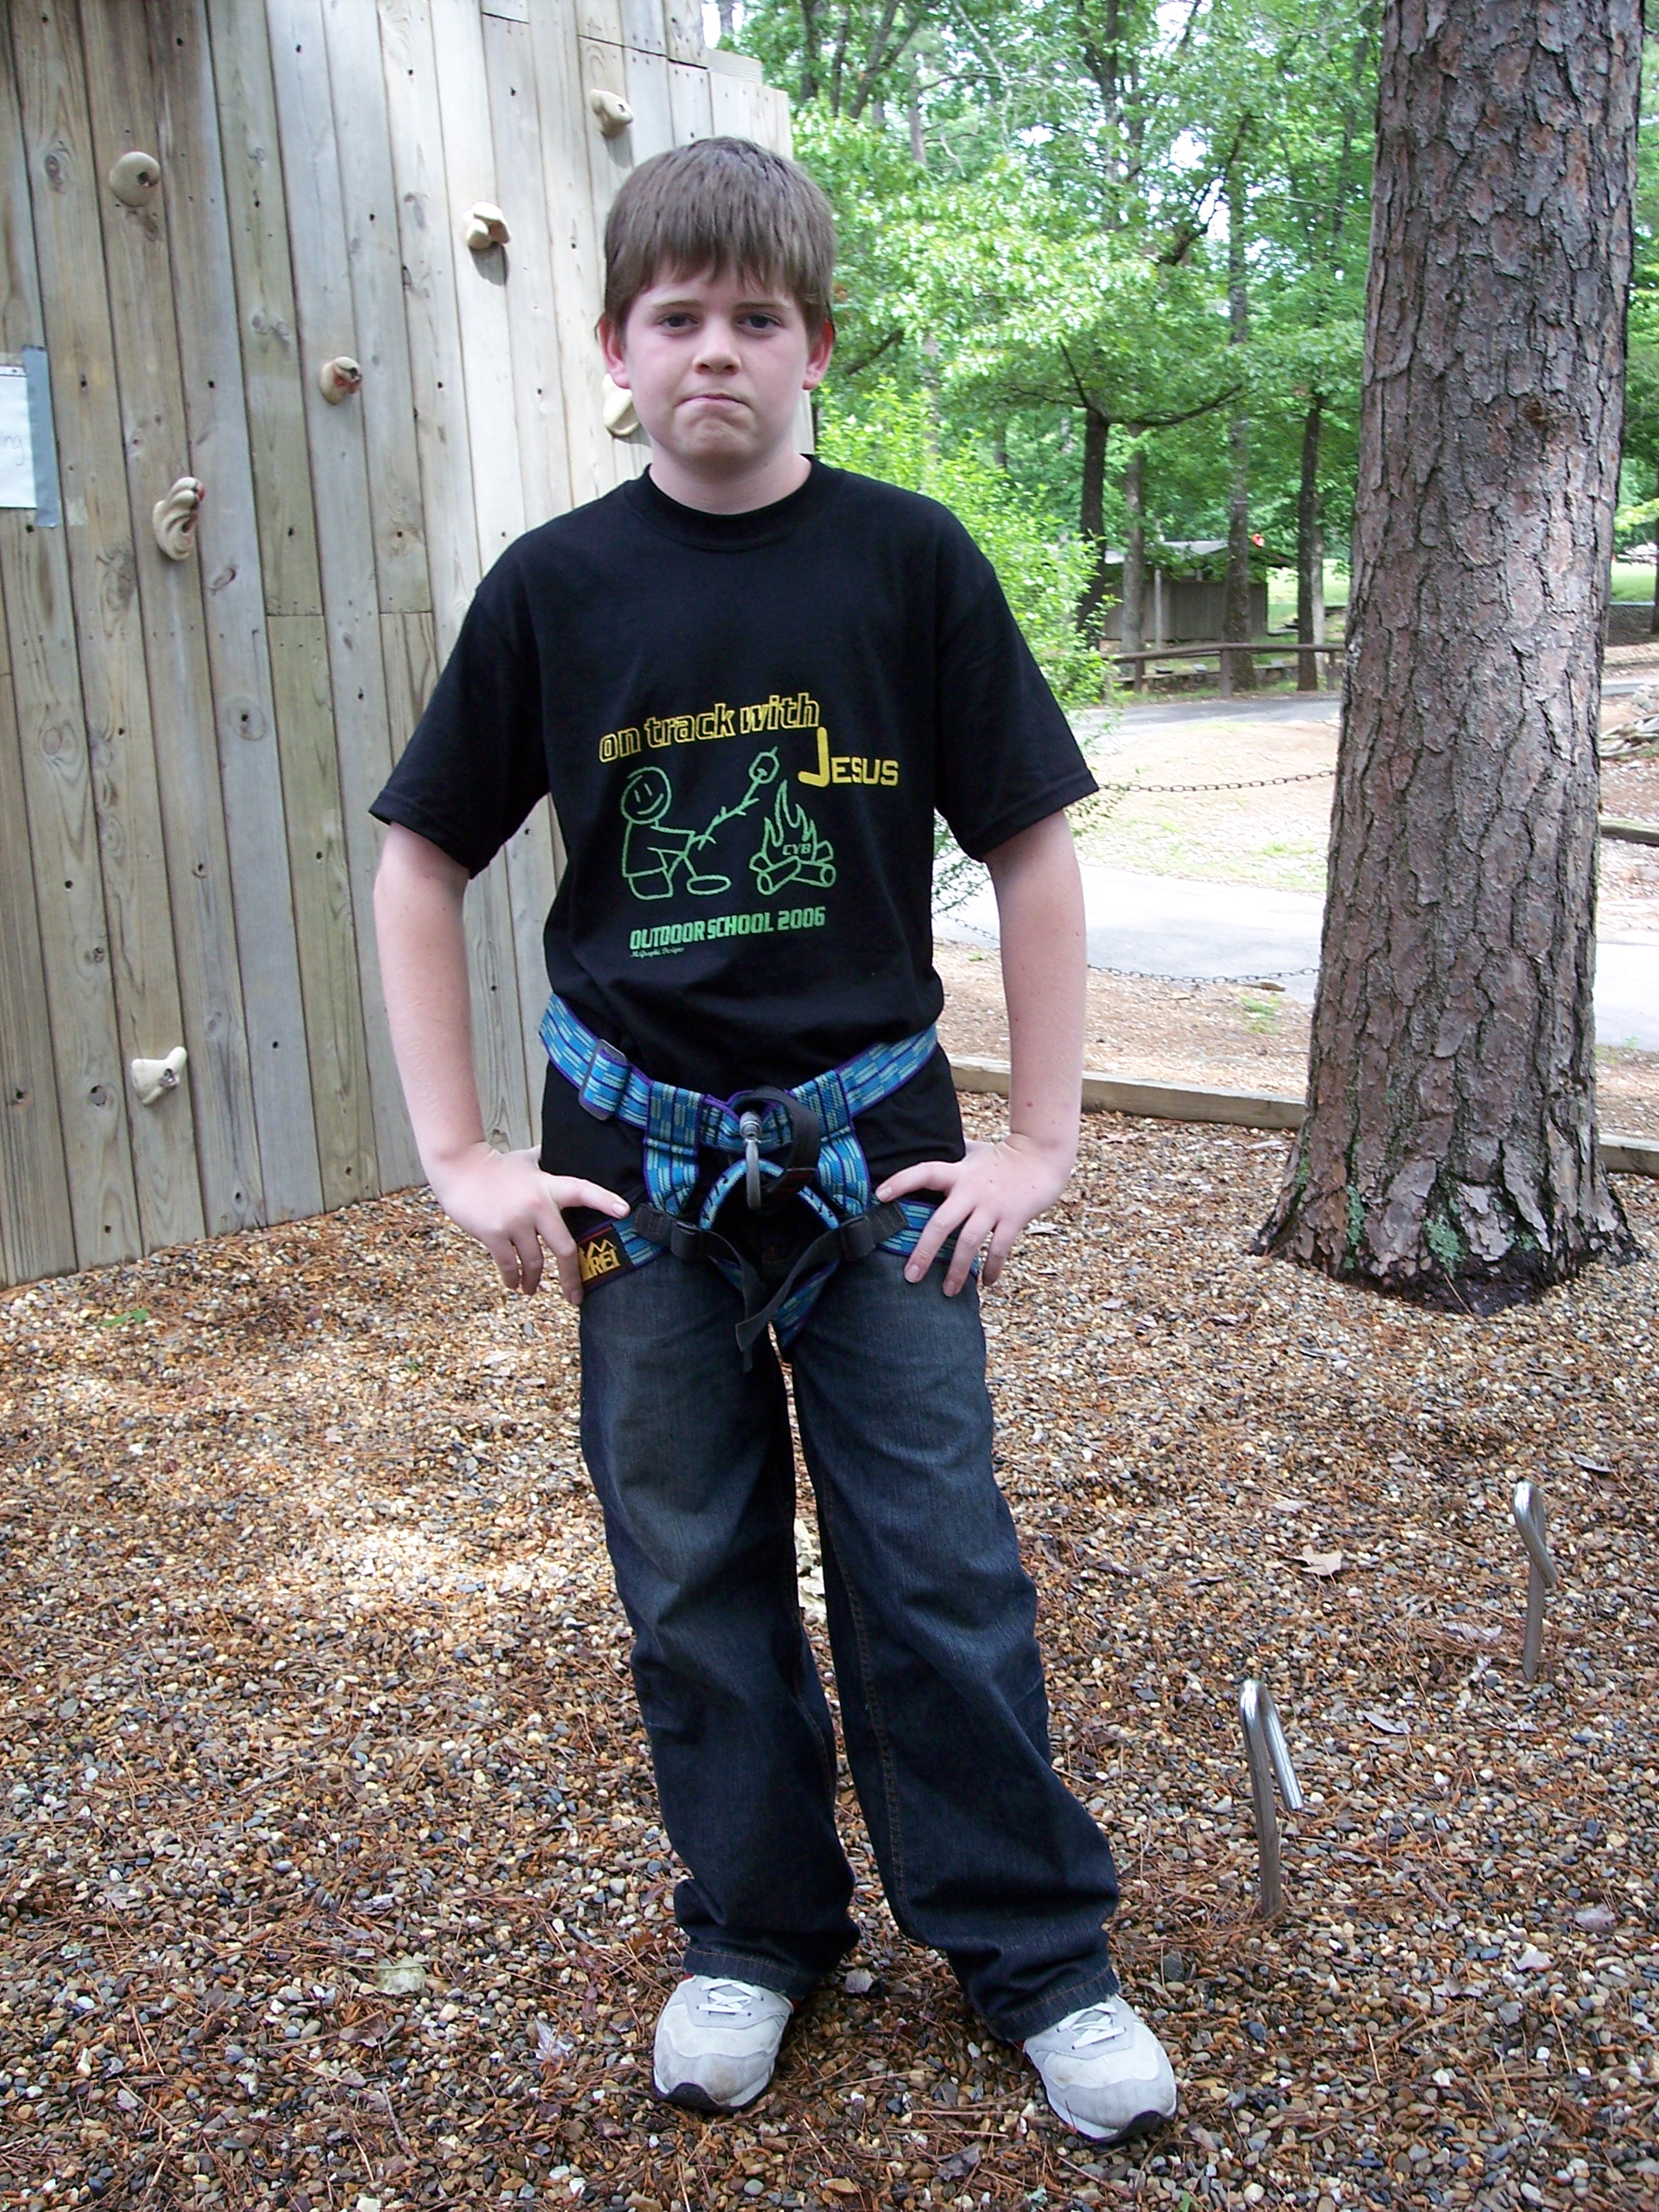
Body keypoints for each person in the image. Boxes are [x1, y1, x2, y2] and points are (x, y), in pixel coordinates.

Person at [369, 136, 1176, 2148]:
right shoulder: (556, 592)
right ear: (615, 351)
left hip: (879, 1157)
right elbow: (420, 857)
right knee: (688, 1571)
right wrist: (460, 1155)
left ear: (816, 344)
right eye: (677, 319)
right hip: (628, 1175)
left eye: (755, 318)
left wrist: (1043, 1138)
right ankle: (753, 1931)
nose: (714, 351)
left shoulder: (908, 563)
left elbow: (1033, 852)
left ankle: (1038, 1956)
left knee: (938, 1564)